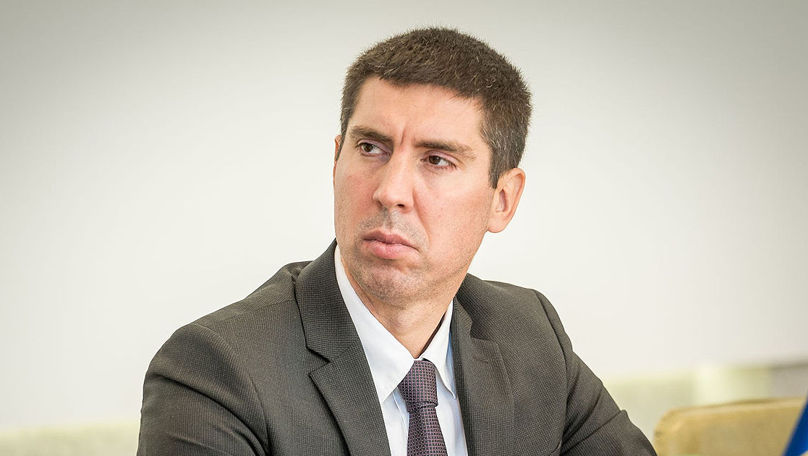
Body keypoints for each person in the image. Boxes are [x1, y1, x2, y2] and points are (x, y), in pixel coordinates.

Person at [137, 28, 656, 456]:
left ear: (502, 199)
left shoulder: (529, 334)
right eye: (370, 147)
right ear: (336, 161)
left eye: (437, 160)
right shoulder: (216, 370)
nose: (390, 191)